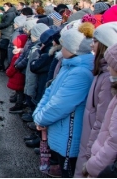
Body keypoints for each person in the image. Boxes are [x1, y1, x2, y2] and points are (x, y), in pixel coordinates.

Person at [33, 22, 95, 178]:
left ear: (73, 50)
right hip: (62, 130)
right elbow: (50, 92)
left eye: (64, 47)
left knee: (68, 170)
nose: (61, 50)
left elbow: (60, 104)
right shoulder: (68, 66)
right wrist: (38, 114)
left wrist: (41, 118)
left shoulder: (80, 73)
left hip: (69, 134)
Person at [74, 22, 117, 177]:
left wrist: (90, 154)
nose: (91, 45)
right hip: (91, 139)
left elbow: (102, 121)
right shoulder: (102, 72)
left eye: (96, 41)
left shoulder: (107, 78)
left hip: (94, 145)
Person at [0, 2, 17, 71]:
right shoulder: (7, 13)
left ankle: (3, 65)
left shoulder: (10, 14)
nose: (4, 7)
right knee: (2, 50)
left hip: (7, 34)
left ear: (9, 7)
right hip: (5, 32)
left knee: (4, 50)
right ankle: (1, 65)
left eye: (5, 6)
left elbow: (6, 23)